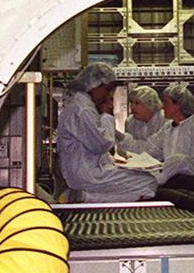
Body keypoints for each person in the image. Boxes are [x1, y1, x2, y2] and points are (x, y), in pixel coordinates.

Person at [56, 63, 158, 203]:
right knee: (149, 183)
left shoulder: (81, 105)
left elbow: (92, 146)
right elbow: (101, 145)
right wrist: (107, 115)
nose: (107, 95)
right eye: (107, 89)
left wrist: (115, 162)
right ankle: (87, 197)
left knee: (145, 181)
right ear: (96, 86)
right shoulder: (82, 109)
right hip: (87, 174)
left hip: (85, 170)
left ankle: (86, 196)